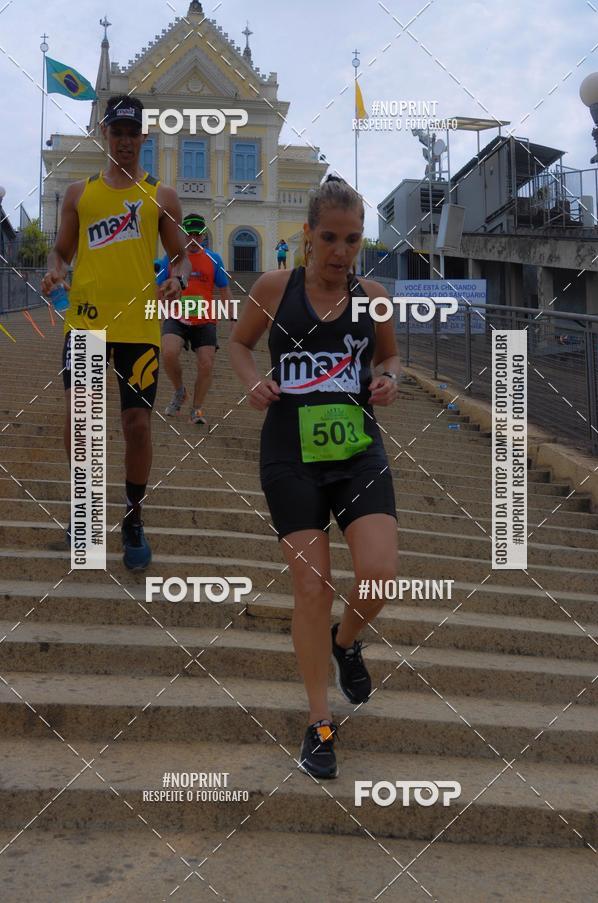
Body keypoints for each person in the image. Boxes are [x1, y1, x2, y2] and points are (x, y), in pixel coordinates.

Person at [229, 175, 400, 779]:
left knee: (378, 576)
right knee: (311, 587)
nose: (340, 251)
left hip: (357, 452)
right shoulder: (274, 287)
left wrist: (389, 380)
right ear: (307, 235)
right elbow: (241, 345)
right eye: (329, 237)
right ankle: (320, 724)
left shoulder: (372, 294)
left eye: (352, 239)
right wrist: (253, 380)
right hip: (290, 452)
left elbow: (389, 355)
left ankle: (345, 641)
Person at [41, 94, 191, 570]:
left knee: (137, 425)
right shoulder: (78, 194)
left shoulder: (161, 196)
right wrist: (55, 272)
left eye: (133, 133)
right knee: (80, 421)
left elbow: (183, 254)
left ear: (144, 138)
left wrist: (178, 276)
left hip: (140, 326)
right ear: (105, 135)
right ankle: (83, 511)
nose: (125, 141)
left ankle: (133, 516)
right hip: (85, 321)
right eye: (117, 132)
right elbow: (61, 251)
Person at [160, 213, 230, 424]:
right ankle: (180, 391)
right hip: (176, 314)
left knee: (206, 363)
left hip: (205, 318)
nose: (192, 239)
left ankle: (197, 409)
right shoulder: (171, 258)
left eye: (197, 235)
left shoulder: (214, 259)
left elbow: (225, 290)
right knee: (169, 353)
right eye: (188, 235)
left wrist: (233, 318)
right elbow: (158, 288)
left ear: (202, 237)